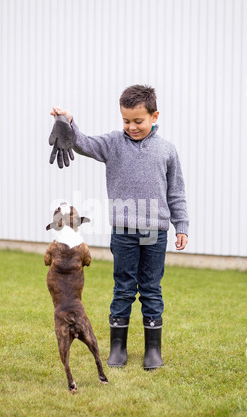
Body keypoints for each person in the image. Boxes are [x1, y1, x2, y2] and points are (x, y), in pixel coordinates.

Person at [50, 84, 189, 370]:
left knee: (151, 287)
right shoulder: (114, 144)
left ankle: (153, 350)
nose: (131, 126)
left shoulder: (167, 151)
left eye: (138, 121)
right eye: (126, 121)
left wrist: (182, 225)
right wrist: (69, 122)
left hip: (155, 231)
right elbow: (83, 143)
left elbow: (176, 192)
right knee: (123, 287)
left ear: (154, 116)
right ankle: (118, 349)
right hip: (124, 231)